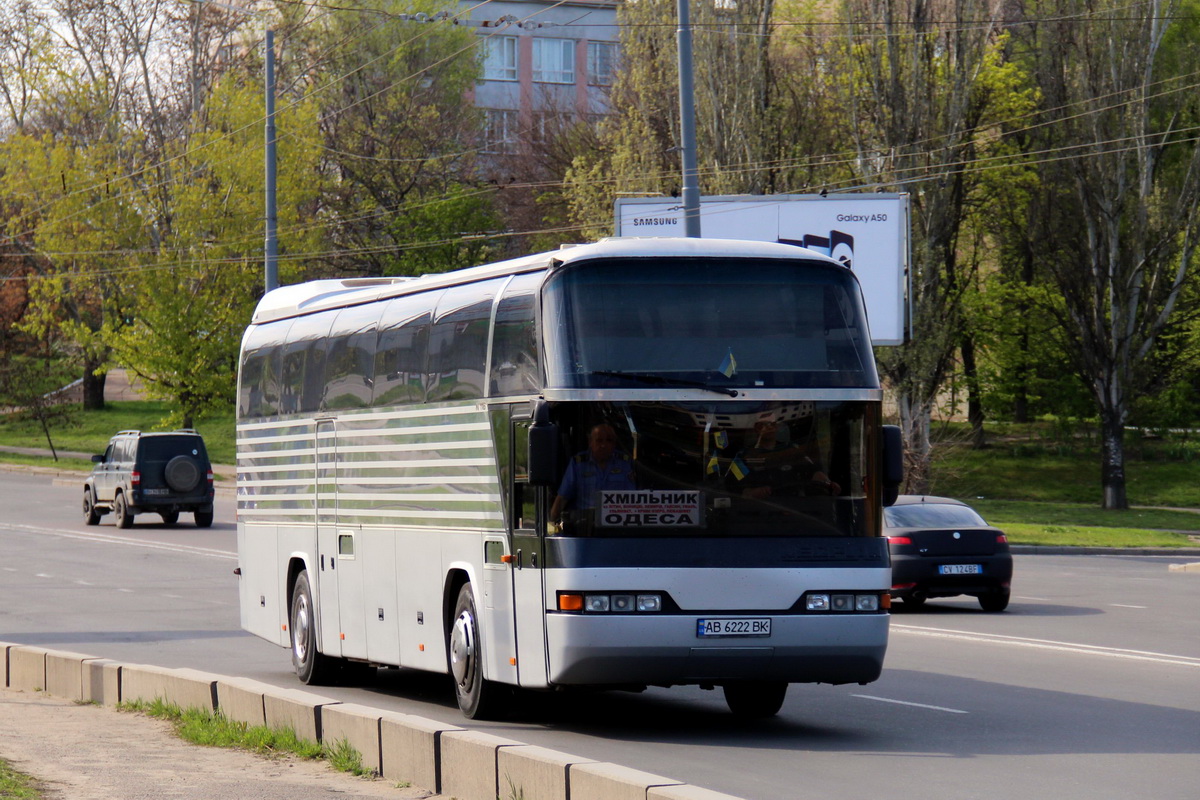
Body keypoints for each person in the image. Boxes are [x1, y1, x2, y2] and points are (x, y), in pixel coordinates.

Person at [733, 416, 839, 500]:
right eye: (763, 425)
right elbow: (734, 487)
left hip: (795, 509)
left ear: (777, 427)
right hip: (759, 512)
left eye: (772, 424)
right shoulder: (744, 457)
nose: (768, 427)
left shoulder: (792, 451)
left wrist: (829, 484)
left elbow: (814, 472)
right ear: (756, 428)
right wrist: (751, 493)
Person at [550, 423, 636, 525]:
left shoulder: (624, 463)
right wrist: (550, 526)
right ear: (590, 442)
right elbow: (563, 497)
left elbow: (633, 499)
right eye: (599, 440)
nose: (603, 445)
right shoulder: (578, 464)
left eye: (609, 440)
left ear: (614, 443)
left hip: (618, 526)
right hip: (586, 528)